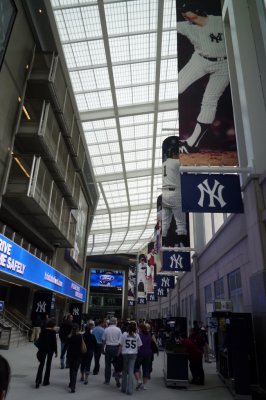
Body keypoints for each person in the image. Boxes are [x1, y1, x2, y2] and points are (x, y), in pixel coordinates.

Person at [177, 1, 230, 153]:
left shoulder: (219, 21)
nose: (184, 15)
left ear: (196, 11)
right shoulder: (187, 26)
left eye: (185, 12)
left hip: (224, 64)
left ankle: (192, 144)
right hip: (200, 60)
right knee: (177, 86)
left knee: (209, 101)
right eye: (183, 13)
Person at [162, 136, 187, 247]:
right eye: (178, 153)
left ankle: (165, 244)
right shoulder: (176, 162)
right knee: (180, 223)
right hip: (174, 193)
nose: (179, 155)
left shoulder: (164, 163)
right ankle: (182, 244)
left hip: (164, 195)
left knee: (165, 224)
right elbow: (187, 163)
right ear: (174, 153)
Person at [118, 321, 142, 395]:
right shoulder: (137, 335)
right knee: (131, 371)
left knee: (124, 371)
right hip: (133, 355)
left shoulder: (124, 334)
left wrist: (118, 353)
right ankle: (130, 390)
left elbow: (121, 345)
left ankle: (123, 388)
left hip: (125, 354)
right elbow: (139, 346)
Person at [35, 318, 57, 388]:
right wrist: (56, 351)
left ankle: (38, 381)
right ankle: (46, 381)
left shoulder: (43, 331)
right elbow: (54, 342)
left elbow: (40, 340)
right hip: (50, 350)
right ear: (53, 325)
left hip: (43, 349)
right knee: (48, 365)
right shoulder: (53, 332)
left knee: (41, 364)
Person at [102, 316, 122, 386]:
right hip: (116, 348)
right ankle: (117, 379)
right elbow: (121, 341)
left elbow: (104, 340)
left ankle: (107, 380)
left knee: (107, 365)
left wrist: (103, 348)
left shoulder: (106, 329)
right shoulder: (119, 330)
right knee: (116, 365)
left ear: (110, 322)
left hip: (108, 347)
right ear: (115, 322)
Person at [134, 322, 153, 390]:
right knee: (146, 370)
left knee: (136, 368)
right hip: (148, 354)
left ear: (140, 329)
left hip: (140, 354)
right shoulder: (149, 335)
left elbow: (137, 345)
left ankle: (139, 381)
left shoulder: (138, 335)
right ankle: (143, 385)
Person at [66, 323, 83, 393]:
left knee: (71, 369)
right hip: (78, 355)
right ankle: (73, 385)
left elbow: (66, 346)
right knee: (75, 371)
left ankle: (71, 383)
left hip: (70, 355)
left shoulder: (69, 337)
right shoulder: (80, 336)